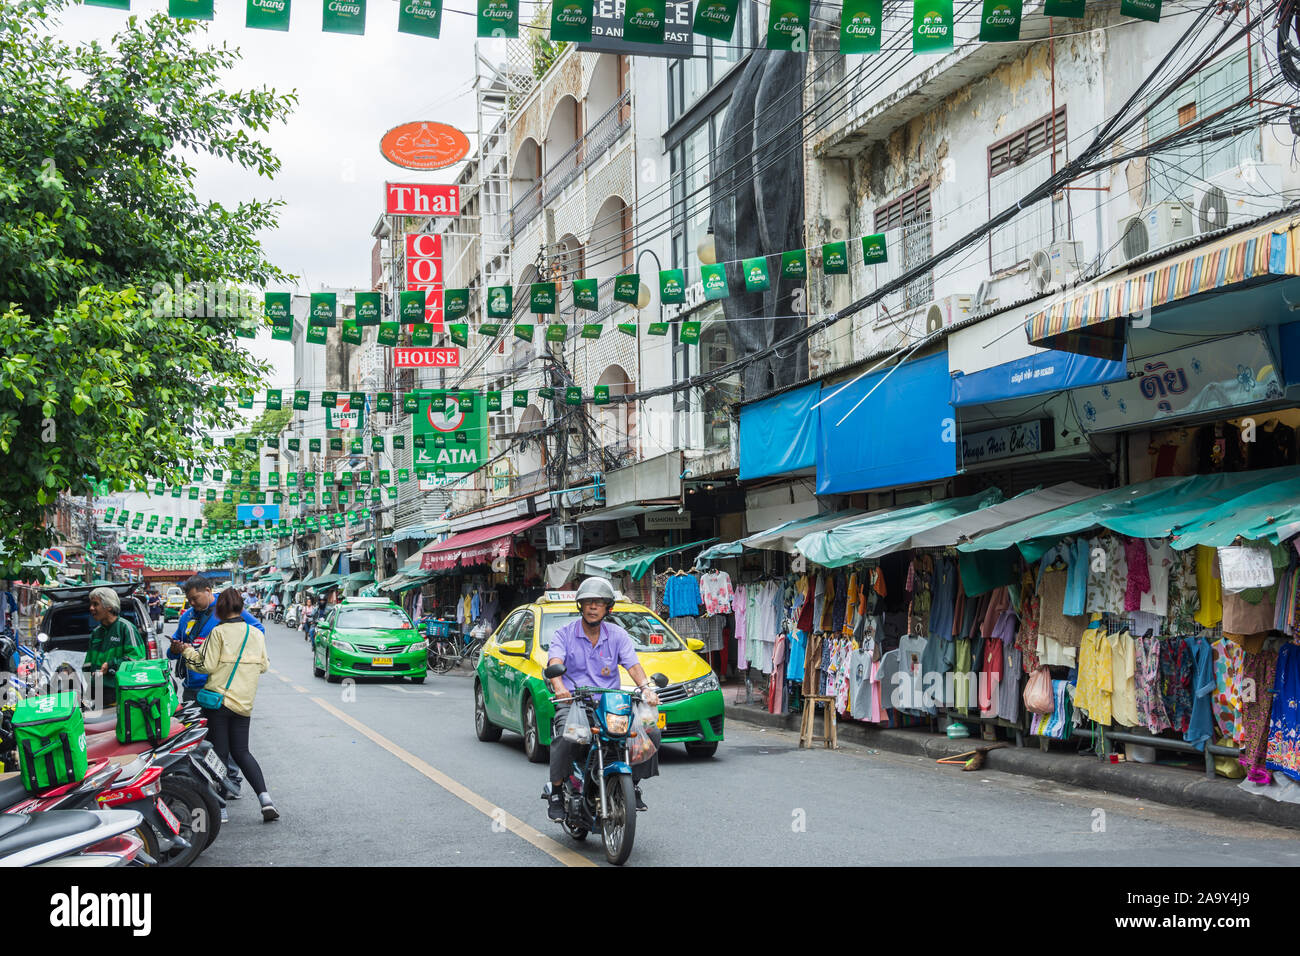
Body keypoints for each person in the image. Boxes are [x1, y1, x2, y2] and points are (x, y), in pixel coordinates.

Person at [545, 577, 660, 822]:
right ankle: (556, 792)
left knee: (650, 733)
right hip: (575, 704)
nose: (593, 607)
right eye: (588, 602)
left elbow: (633, 665)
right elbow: (555, 663)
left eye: (598, 603)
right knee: (566, 738)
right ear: (580, 606)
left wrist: (647, 688)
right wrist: (559, 687)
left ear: (608, 608)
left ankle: (633, 784)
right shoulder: (564, 635)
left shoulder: (617, 635)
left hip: (611, 706)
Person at [171, 588, 278, 822]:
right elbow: (264, 666)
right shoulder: (256, 633)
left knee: (218, 755)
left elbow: (205, 666)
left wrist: (187, 651)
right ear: (241, 607)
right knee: (242, 752)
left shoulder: (218, 633)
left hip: (218, 702)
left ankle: (220, 809)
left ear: (219, 610)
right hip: (243, 703)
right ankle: (265, 800)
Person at [84, 587, 147, 709]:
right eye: (91, 604)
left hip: (118, 692)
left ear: (109, 606)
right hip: (96, 693)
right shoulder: (96, 633)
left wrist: (111, 664)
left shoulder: (126, 628)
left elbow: (138, 661)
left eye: (95, 604)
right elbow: (88, 664)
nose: (91, 608)